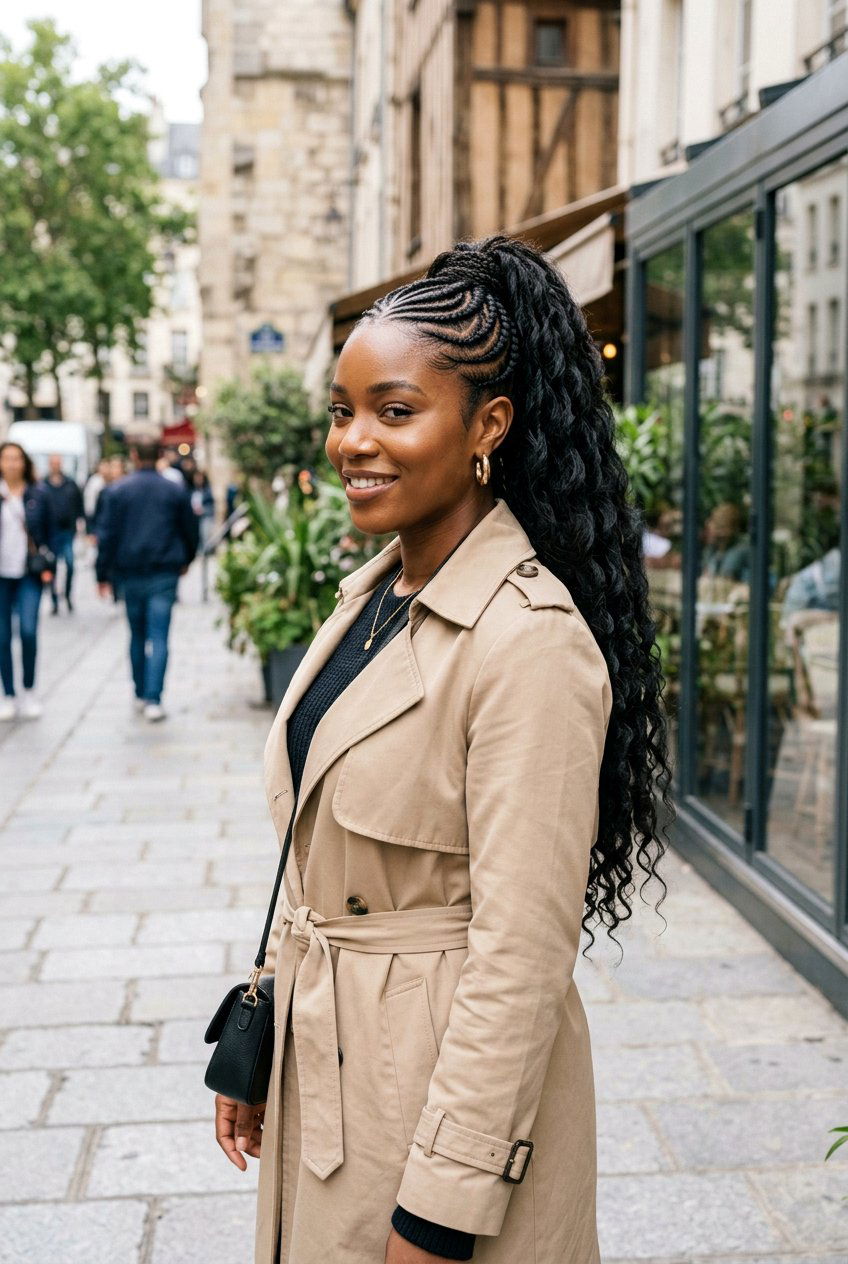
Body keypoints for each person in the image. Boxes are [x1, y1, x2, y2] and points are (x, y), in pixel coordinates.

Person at [212, 236, 672, 1264]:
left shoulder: (529, 642)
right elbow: (319, 862)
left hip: (431, 1109)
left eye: (395, 409)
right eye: (342, 410)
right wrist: (261, 1033)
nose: (353, 441)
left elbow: (520, 957)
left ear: (486, 426)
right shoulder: (371, 597)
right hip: (329, 1076)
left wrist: (440, 1210)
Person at [96, 439, 198, 721]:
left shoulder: (117, 491)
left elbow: (107, 535)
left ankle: (141, 692)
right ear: (160, 455)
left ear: (133, 456)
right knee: (159, 634)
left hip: (130, 572)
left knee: (137, 633)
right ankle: (154, 698)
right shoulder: (174, 489)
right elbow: (190, 529)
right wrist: (187, 559)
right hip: (164, 570)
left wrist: (102, 573)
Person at [0, 442, 54, 720]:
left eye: (16, 458)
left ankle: (29, 689)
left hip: (29, 574)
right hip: (1, 577)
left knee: (29, 632)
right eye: (6, 458)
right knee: (2, 637)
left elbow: (48, 531)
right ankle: (8, 694)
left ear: (24, 462)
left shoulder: (37, 494)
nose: (11, 464)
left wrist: (49, 563)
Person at [43, 453, 84, 614]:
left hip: (67, 531)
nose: (55, 465)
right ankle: (54, 599)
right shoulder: (43, 485)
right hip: (51, 533)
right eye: (53, 463)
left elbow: (79, 505)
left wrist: (82, 525)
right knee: (51, 566)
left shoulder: (70, 484)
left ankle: (67, 595)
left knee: (70, 564)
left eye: (58, 463)